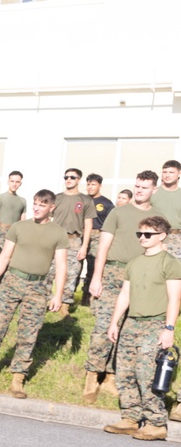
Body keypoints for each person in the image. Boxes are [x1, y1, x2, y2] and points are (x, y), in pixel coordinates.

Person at [0, 190, 68, 398]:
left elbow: (62, 265)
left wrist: (58, 294)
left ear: (51, 208)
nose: (36, 208)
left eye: (42, 205)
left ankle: (18, 378)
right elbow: (4, 256)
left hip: (38, 287)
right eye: (35, 203)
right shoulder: (19, 227)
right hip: (11, 282)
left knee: (28, 333)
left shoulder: (58, 233)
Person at [84, 171, 165, 404]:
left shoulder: (158, 217)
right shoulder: (118, 212)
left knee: (126, 330)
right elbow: (103, 246)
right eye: (137, 186)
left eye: (144, 187)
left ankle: (110, 377)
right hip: (113, 274)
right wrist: (96, 277)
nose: (139, 190)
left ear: (154, 190)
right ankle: (92, 375)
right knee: (104, 326)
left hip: (141, 277)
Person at [103, 215, 181, 441]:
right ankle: (130, 417)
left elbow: (175, 299)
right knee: (125, 371)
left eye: (148, 234)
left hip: (155, 323)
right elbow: (125, 295)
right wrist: (114, 322)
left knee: (146, 373)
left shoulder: (170, 262)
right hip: (131, 323)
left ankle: (156, 422)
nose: (143, 238)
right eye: (140, 234)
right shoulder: (134, 263)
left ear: (162, 236)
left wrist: (169, 328)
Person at [48, 167, 96, 317]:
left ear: (79, 180)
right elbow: (47, 218)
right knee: (48, 272)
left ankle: (64, 305)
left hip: (73, 241)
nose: (68, 180)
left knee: (71, 274)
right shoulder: (56, 198)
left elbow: (88, 225)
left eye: (72, 177)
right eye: (66, 177)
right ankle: (45, 301)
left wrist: (84, 246)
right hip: (54, 240)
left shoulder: (85, 200)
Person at [80, 174, 114, 306]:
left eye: (93, 184)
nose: (90, 187)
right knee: (75, 268)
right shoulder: (81, 200)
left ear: (100, 186)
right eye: (88, 184)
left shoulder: (106, 203)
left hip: (97, 237)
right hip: (81, 235)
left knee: (93, 268)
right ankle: (67, 300)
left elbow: (110, 223)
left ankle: (88, 298)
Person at [0, 171, 26, 285]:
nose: (14, 184)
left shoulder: (22, 201)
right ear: (8, 182)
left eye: (17, 182)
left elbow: (23, 222)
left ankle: (4, 288)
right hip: (1, 232)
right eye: (12, 181)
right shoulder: (0, 197)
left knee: (10, 262)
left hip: (14, 234)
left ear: (20, 184)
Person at [151, 160, 181, 258]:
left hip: (176, 238)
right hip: (155, 237)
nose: (167, 175)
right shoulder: (153, 192)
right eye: (165, 172)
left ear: (179, 173)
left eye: (171, 172)